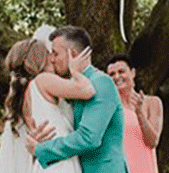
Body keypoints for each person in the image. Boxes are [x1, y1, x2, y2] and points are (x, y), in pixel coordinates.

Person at [26, 26, 129, 173]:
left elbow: (89, 138)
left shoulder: (101, 83)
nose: (51, 60)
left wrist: (42, 149)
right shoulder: (72, 88)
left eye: (55, 54)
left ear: (72, 54)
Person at [0, 38, 94, 173]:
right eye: (49, 54)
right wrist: (75, 70)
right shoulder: (43, 80)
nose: (53, 59)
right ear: (39, 58)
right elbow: (88, 90)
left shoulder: (25, 97)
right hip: (60, 165)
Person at [106, 54, 163, 173]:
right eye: (112, 74)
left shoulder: (152, 102)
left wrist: (139, 114)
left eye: (121, 71)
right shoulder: (108, 108)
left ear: (132, 73)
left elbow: (152, 141)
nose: (117, 77)